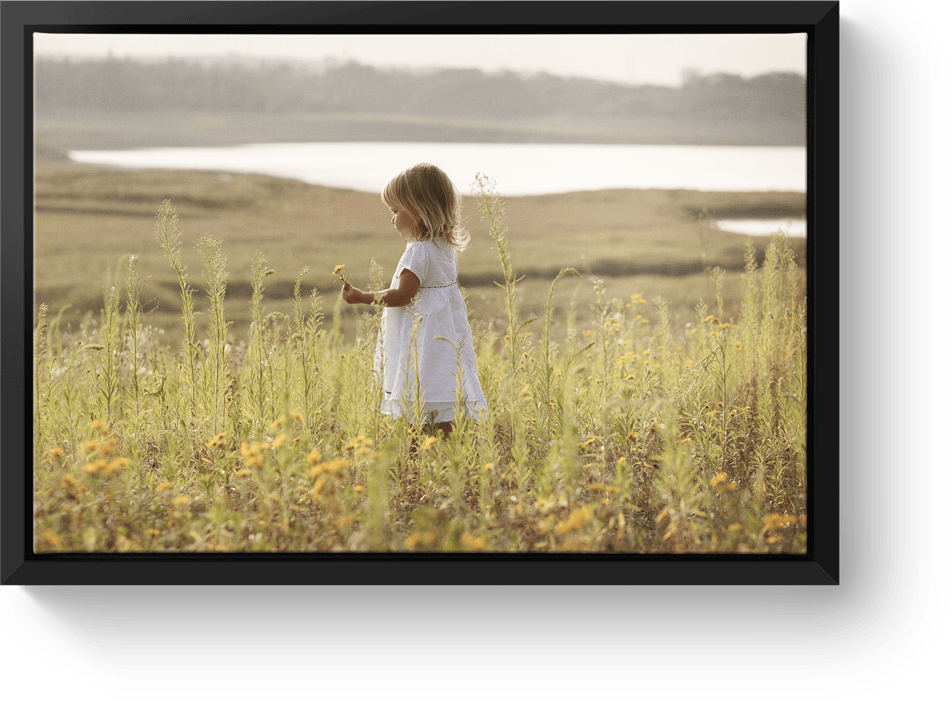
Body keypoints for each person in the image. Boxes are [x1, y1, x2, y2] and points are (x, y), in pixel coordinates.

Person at [341, 163, 488, 440]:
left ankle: (415, 463)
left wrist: (362, 297)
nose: (392, 219)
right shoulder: (444, 248)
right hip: (444, 338)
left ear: (418, 212)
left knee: (416, 400)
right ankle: (448, 454)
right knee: (444, 395)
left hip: (421, 341)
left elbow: (402, 296)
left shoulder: (418, 252)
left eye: (395, 211)